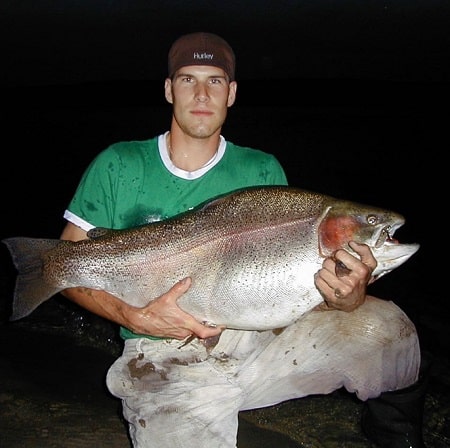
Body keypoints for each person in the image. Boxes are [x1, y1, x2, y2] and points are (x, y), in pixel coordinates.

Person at [59, 32, 427, 448]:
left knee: (388, 329)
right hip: (161, 354)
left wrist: (345, 298)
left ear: (231, 93)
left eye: (214, 81)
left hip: (257, 342)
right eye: (187, 79)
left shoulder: (263, 170)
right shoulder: (119, 164)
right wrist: (132, 317)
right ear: (168, 89)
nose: (201, 93)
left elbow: (292, 294)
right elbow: (65, 265)